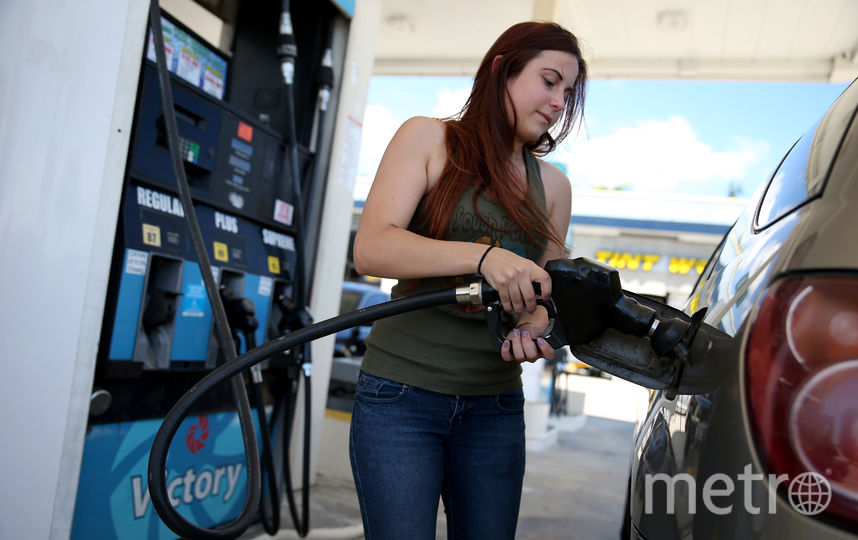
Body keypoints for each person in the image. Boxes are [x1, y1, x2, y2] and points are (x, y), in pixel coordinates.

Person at [349, 21, 587, 540]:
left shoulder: (556, 186)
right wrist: (484, 258)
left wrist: (536, 327)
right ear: (503, 70)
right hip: (400, 397)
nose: (558, 102)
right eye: (549, 81)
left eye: (567, 93)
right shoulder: (429, 138)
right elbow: (371, 246)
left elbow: (542, 300)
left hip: (494, 407)